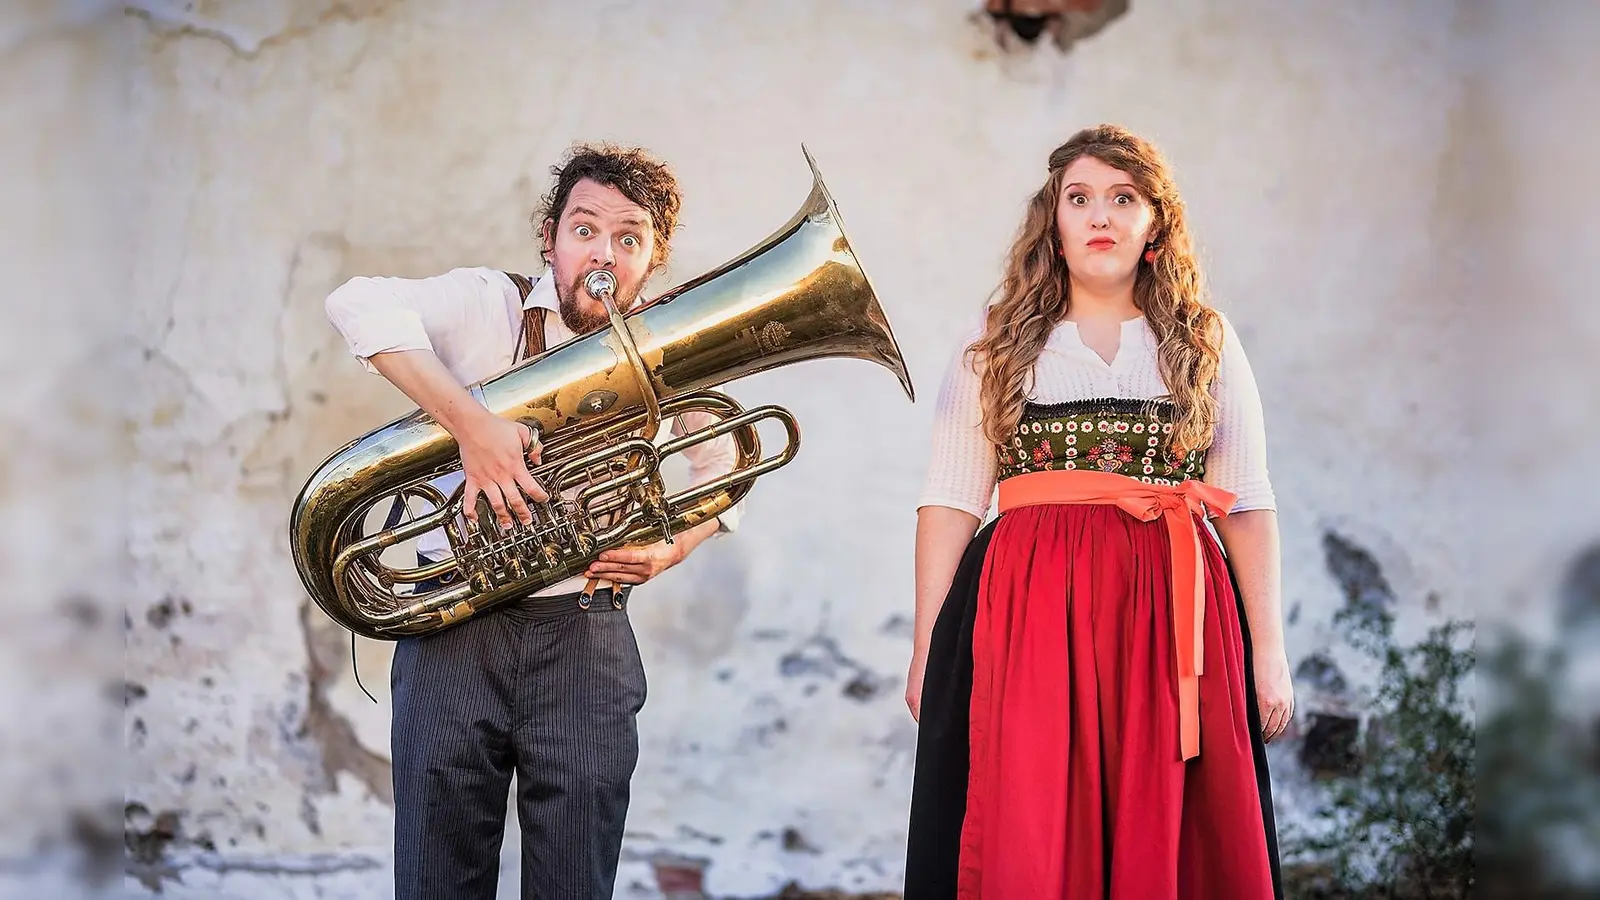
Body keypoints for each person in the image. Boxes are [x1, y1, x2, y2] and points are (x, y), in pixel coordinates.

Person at [323, 142, 742, 899]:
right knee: (436, 879)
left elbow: (728, 467)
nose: (602, 255)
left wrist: (669, 550)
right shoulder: (489, 303)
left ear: (653, 259)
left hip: (587, 635)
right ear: (549, 239)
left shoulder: (663, 339)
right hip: (452, 632)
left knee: (578, 879)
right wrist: (471, 425)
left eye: (628, 238)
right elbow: (356, 303)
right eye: (584, 230)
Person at [902, 124, 1292, 899]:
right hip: (1028, 613)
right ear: (1054, 220)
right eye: (1078, 199)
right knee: (1032, 810)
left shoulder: (1203, 340)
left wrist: (1268, 652)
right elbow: (950, 501)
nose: (1099, 215)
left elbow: (1246, 503)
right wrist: (928, 652)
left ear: (1156, 223)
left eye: (1122, 197)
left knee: (1171, 820)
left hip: (1170, 613)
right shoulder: (995, 343)